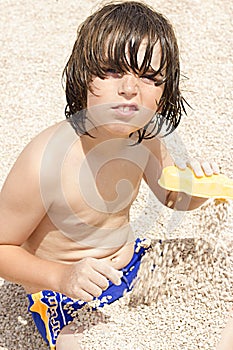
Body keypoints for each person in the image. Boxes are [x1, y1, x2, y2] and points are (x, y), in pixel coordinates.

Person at [0, 1, 221, 349]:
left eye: (149, 77)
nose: (130, 89)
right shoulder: (46, 159)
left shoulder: (145, 137)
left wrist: (200, 187)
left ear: (162, 98)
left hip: (129, 262)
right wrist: (61, 276)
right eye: (113, 71)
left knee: (218, 272)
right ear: (83, 77)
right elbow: (2, 247)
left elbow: (172, 197)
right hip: (67, 289)